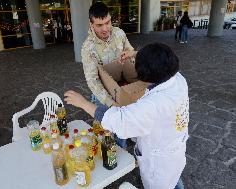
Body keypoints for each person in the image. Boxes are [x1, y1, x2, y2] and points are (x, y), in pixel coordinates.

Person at [65, 43, 189, 189]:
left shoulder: (153, 105)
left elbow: (118, 120)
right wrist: (136, 54)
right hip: (175, 146)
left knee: (164, 184)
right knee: (173, 177)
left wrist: (84, 103)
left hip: (158, 160)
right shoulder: (178, 80)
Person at [81, 2, 137, 148]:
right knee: (108, 132)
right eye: (99, 25)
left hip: (123, 88)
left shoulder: (119, 33)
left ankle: (125, 145)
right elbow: (92, 80)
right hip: (103, 95)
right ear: (91, 24)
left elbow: (131, 54)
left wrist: (130, 55)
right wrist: (110, 103)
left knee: (125, 123)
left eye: (108, 22)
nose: (105, 28)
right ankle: (115, 157)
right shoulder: (88, 47)